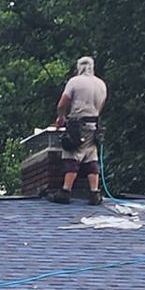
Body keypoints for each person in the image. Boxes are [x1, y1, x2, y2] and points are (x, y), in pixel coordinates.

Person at [51, 56, 107, 204]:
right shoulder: (101, 84)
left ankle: (65, 191)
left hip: (77, 125)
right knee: (91, 155)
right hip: (94, 125)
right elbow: (100, 107)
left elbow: (61, 104)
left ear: (79, 67)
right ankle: (94, 192)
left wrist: (61, 117)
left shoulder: (74, 82)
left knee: (72, 154)